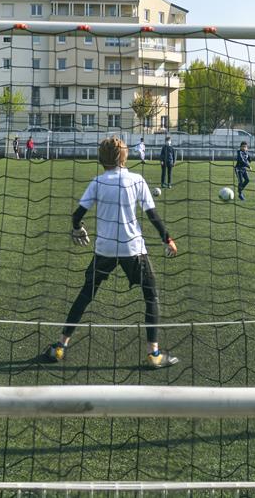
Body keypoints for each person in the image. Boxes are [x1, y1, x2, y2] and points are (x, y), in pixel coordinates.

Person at [45, 136, 180, 368]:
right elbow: (153, 216)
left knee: (85, 295)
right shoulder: (137, 180)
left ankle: (60, 346)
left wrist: (78, 229)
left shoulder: (98, 182)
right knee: (151, 297)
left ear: (101, 157)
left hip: (104, 249)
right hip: (133, 248)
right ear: (125, 156)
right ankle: (154, 354)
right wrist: (168, 239)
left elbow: (77, 215)